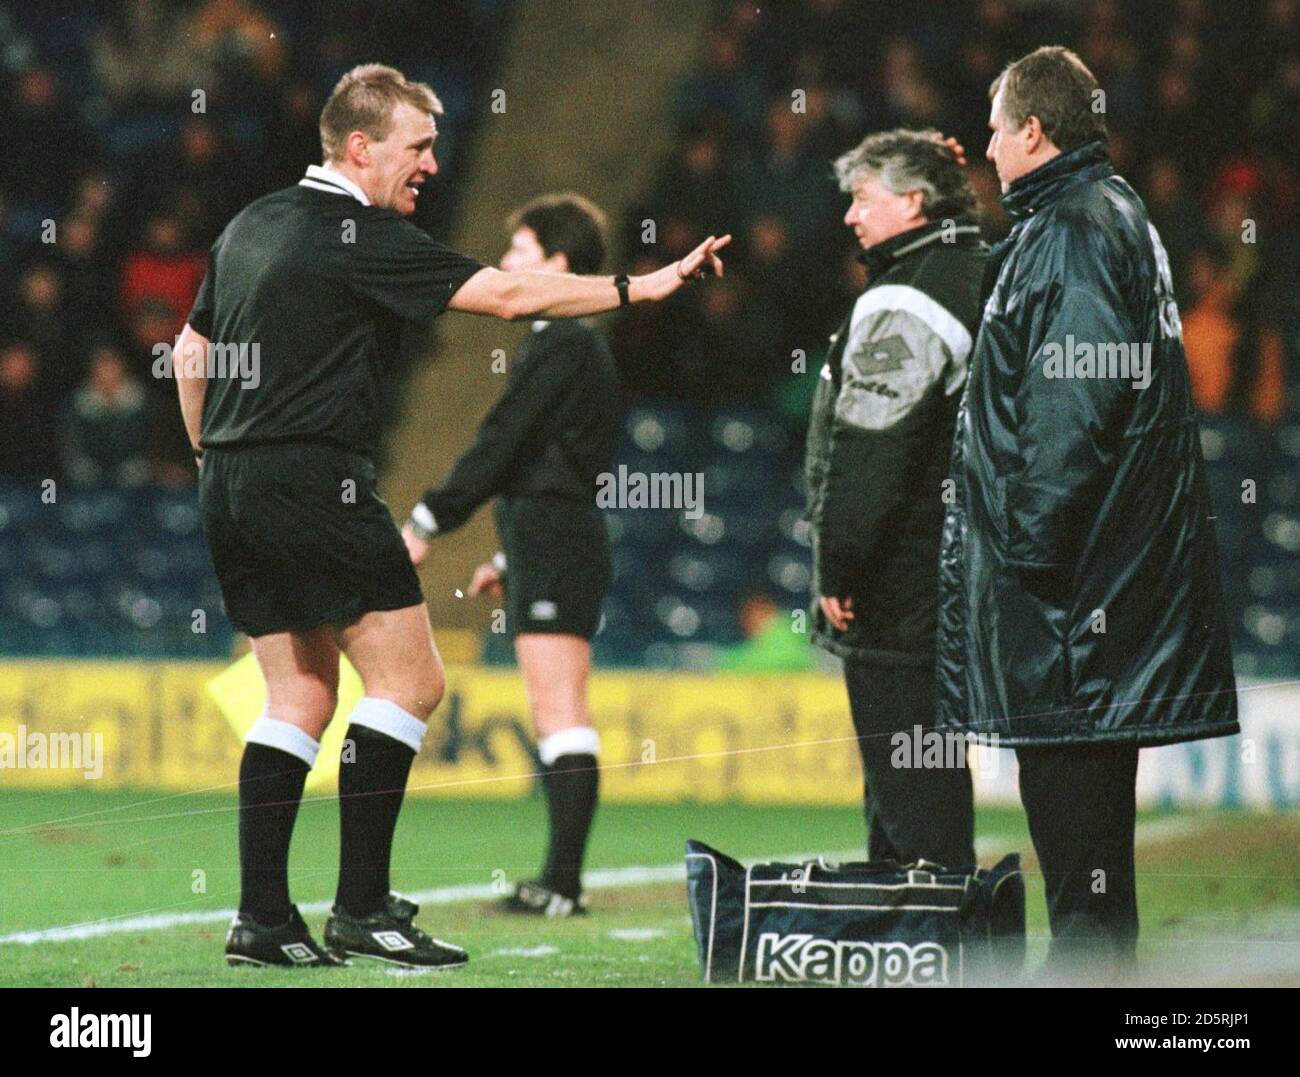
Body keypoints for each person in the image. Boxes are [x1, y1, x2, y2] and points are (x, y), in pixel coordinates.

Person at [173, 63, 730, 969]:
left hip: (232, 482)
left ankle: (263, 917)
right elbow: (509, 298)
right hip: (317, 477)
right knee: (410, 684)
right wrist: (643, 286)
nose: (432, 163)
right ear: (361, 148)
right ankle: (361, 908)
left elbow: (191, 348)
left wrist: (208, 452)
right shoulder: (358, 230)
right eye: (419, 145)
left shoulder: (252, 221)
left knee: (298, 695)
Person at [936, 47, 1239, 980]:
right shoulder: (1095, 214)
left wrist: (1026, 561)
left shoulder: (1071, 226)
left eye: (994, 129)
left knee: (1084, 883)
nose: (987, 147)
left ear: (1034, 129)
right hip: (1089, 603)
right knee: (1088, 875)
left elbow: (1073, 412)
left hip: (1072, 612)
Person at [402, 193, 618, 918]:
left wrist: (431, 517)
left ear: (558, 264)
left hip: (559, 542)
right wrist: (510, 554)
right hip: (547, 541)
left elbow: (504, 442)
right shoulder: (568, 342)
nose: (507, 267)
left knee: (560, 707)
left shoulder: (564, 339)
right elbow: (542, 459)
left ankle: (563, 882)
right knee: (552, 706)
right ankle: (561, 878)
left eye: (521, 253)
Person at [805, 129, 986, 869]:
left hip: (898, 578)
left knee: (910, 783)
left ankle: (938, 948)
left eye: (862, 197)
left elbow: (872, 452)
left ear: (913, 200)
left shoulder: (905, 301)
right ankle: (912, 937)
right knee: (920, 769)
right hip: (956, 566)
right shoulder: (977, 268)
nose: (851, 215)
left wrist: (838, 567)